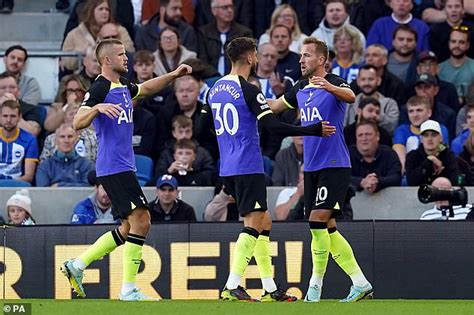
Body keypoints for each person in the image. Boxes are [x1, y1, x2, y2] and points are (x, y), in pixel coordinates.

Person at [205, 37, 335, 302]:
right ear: (251, 57)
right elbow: (273, 127)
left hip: (227, 165)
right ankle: (232, 285)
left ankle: (269, 288)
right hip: (247, 164)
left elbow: (200, 129)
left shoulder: (214, 88)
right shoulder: (249, 90)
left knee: (264, 221)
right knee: (253, 222)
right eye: (255, 54)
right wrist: (311, 130)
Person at [61, 38, 192, 301]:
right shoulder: (100, 87)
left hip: (123, 166)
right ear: (107, 60)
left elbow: (144, 88)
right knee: (142, 220)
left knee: (126, 227)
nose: (126, 59)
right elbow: (77, 122)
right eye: (121, 55)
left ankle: (77, 265)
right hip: (113, 167)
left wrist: (174, 74)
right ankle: (128, 289)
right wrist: (96, 107)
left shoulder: (121, 86)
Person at [268, 36, 373, 302]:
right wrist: (250, 99)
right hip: (312, 167)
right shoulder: (300, 87)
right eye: (301, 56)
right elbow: (276, 106)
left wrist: (328, 86)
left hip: (335, 164)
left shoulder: (335, 82)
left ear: (321, 60)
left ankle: (314, 287)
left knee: (316, 222)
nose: (300, 60)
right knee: (327, 228)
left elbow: (351, 96)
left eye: (306, 55)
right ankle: (360, 283)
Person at [61, 0, 134, 71]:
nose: (104, 12)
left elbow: (130, 51)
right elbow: (66, 62)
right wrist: (79, 53)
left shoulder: (120, 30)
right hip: (82, 77)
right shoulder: (75, 33)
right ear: (91, 11)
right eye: (101, 9)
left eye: (107, 9)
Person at [197, 0, 253, 75]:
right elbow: (203, 60)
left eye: (231, 7)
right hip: (210, 78)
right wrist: (216, 76)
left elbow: (246, 61)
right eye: (225, 7)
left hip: (236, 78)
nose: (230, 10)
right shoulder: (204, 33)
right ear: (214, 11)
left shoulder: (244, 33)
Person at [349, 121, 402, 194]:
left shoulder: (388, 153)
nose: (364, 138)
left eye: (368, 134)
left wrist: (377, 182)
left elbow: (396, 177)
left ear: (377, 136)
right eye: (360, 135)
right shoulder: (347, 154)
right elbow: (339, 177)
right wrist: (361, 182)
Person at [345, 65, 399, 134]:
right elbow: (342, 127)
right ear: (358, 81)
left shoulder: (390, 103)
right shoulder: (349, 103)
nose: (367, 83)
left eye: (370, 79)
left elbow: (392, 127)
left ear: (379, 81)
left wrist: (376, 115)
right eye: (363, 79)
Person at [406, 120, 461, 186]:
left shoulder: (448, 155)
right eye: (426, 135)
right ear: (421, 139)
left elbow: (457, 181)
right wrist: (429, 161)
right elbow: (411, 182)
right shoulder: (412, 156)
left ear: (441, 138)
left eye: (434, 135)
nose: (429, 139)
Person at [0, 100, 38, 183]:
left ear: (19, 117)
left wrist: (7, 183)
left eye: (13, 116)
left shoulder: (30, 139)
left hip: (17, 185)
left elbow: (28, 177)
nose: (8, 120)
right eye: (5, 116)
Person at [439, 26, 474, 106]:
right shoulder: (438, 69)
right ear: (449, 43)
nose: (457, 46)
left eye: (461, 42)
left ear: (467, 45)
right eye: (453, 41)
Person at [0, 72, 42, 137]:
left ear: (19, 91)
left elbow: (33, 133)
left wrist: (13, 109)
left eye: (12, 87)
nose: (8, 91)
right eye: (3, 88)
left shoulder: (31, 109)